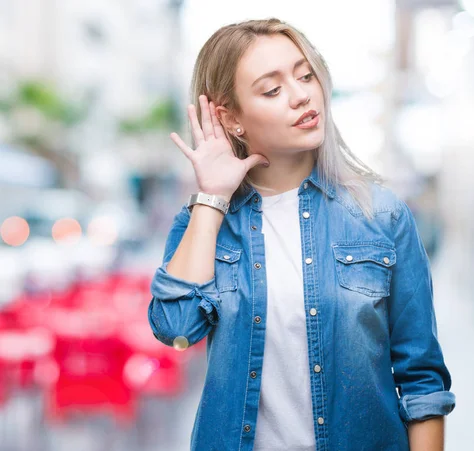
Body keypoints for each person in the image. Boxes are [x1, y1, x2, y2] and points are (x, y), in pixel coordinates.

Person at [148, 18, 455, 451]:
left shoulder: (381, 216)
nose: (301, 96)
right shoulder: (205, 220)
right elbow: (177, 330)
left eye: (305, 75)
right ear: (230, 118)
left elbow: (422, 379)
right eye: (272, 89)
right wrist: (213, 198)